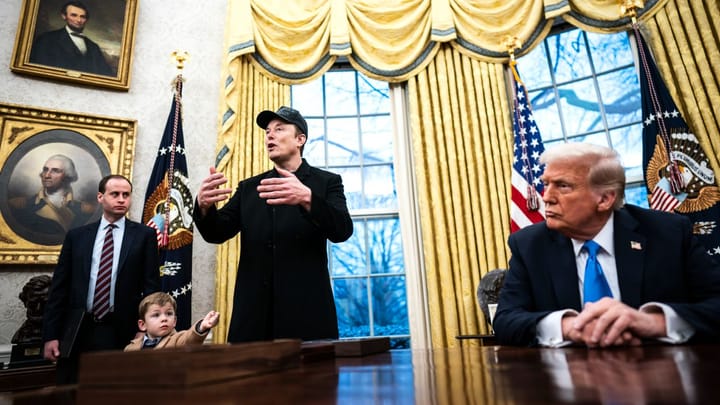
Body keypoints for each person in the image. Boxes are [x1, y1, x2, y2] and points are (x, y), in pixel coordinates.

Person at [493, 142, 720, 348]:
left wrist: (654, 322)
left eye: (562, 186)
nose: (546, 197)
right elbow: (505, 321)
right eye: (545, 184)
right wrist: (570, 327)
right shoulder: (529, 245)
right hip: (570, 381)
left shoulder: (668, 233)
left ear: (604, 199)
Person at [194, 106, 353, 343]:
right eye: (268, 131)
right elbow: (217, 233)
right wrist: (204, 206)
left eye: (279, 129)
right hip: (254, 317)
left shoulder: (326, 182)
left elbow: (342, 231)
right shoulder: (249, 188)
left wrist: (307, 198)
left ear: (300, 139)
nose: (270, 135)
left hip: (307, 313)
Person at [42, 174, 160, 384]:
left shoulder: (144, 236)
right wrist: (51, 335)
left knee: (115, 392)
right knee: (73, 392)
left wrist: (145, 332)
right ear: (100, 197)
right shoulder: (77, 236)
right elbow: (59, 289)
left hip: (122, 330)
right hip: (78, 329)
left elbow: (151, 288)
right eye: (115, 194)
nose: (122, 199)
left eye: (126, 194)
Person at [9, 154, 97, 245]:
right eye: (45, 169)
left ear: (67, 176)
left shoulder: (86, 210)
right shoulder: (20, 206)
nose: (47, 175)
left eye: (55, 171)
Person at [29, 1, 114, 76]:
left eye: (82, 17)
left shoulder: (94, 47)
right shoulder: (46, 39)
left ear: (86, 19)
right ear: (64, 16)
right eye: (74, 15)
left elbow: (106, 75)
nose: (79, 20)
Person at [124, 292, 219, 351]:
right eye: (156, 315)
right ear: (142, 325)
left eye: (169, 314)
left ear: (174, 321)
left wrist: (202, 327)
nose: (164, 319)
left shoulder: (178, 340)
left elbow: (190, 338)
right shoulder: (131, 348)